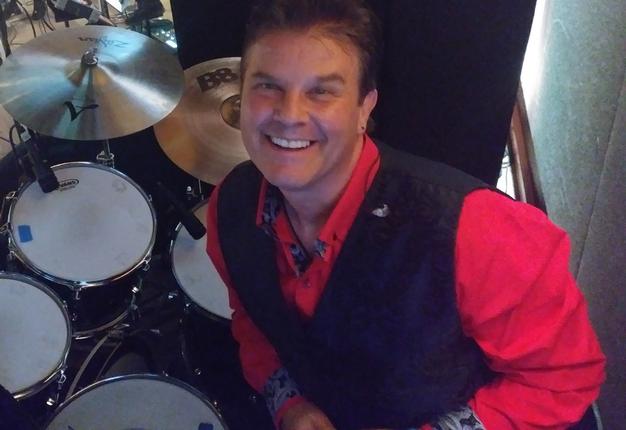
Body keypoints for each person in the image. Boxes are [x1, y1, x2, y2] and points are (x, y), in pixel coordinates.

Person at [205, 1, 606, 429]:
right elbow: (255, 323)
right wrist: (291, 405)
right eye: (268, 86)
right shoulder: (230, 207)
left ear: (364, 108)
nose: (289, 114)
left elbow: (563, 379)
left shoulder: (475, 230)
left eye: (321, 91)